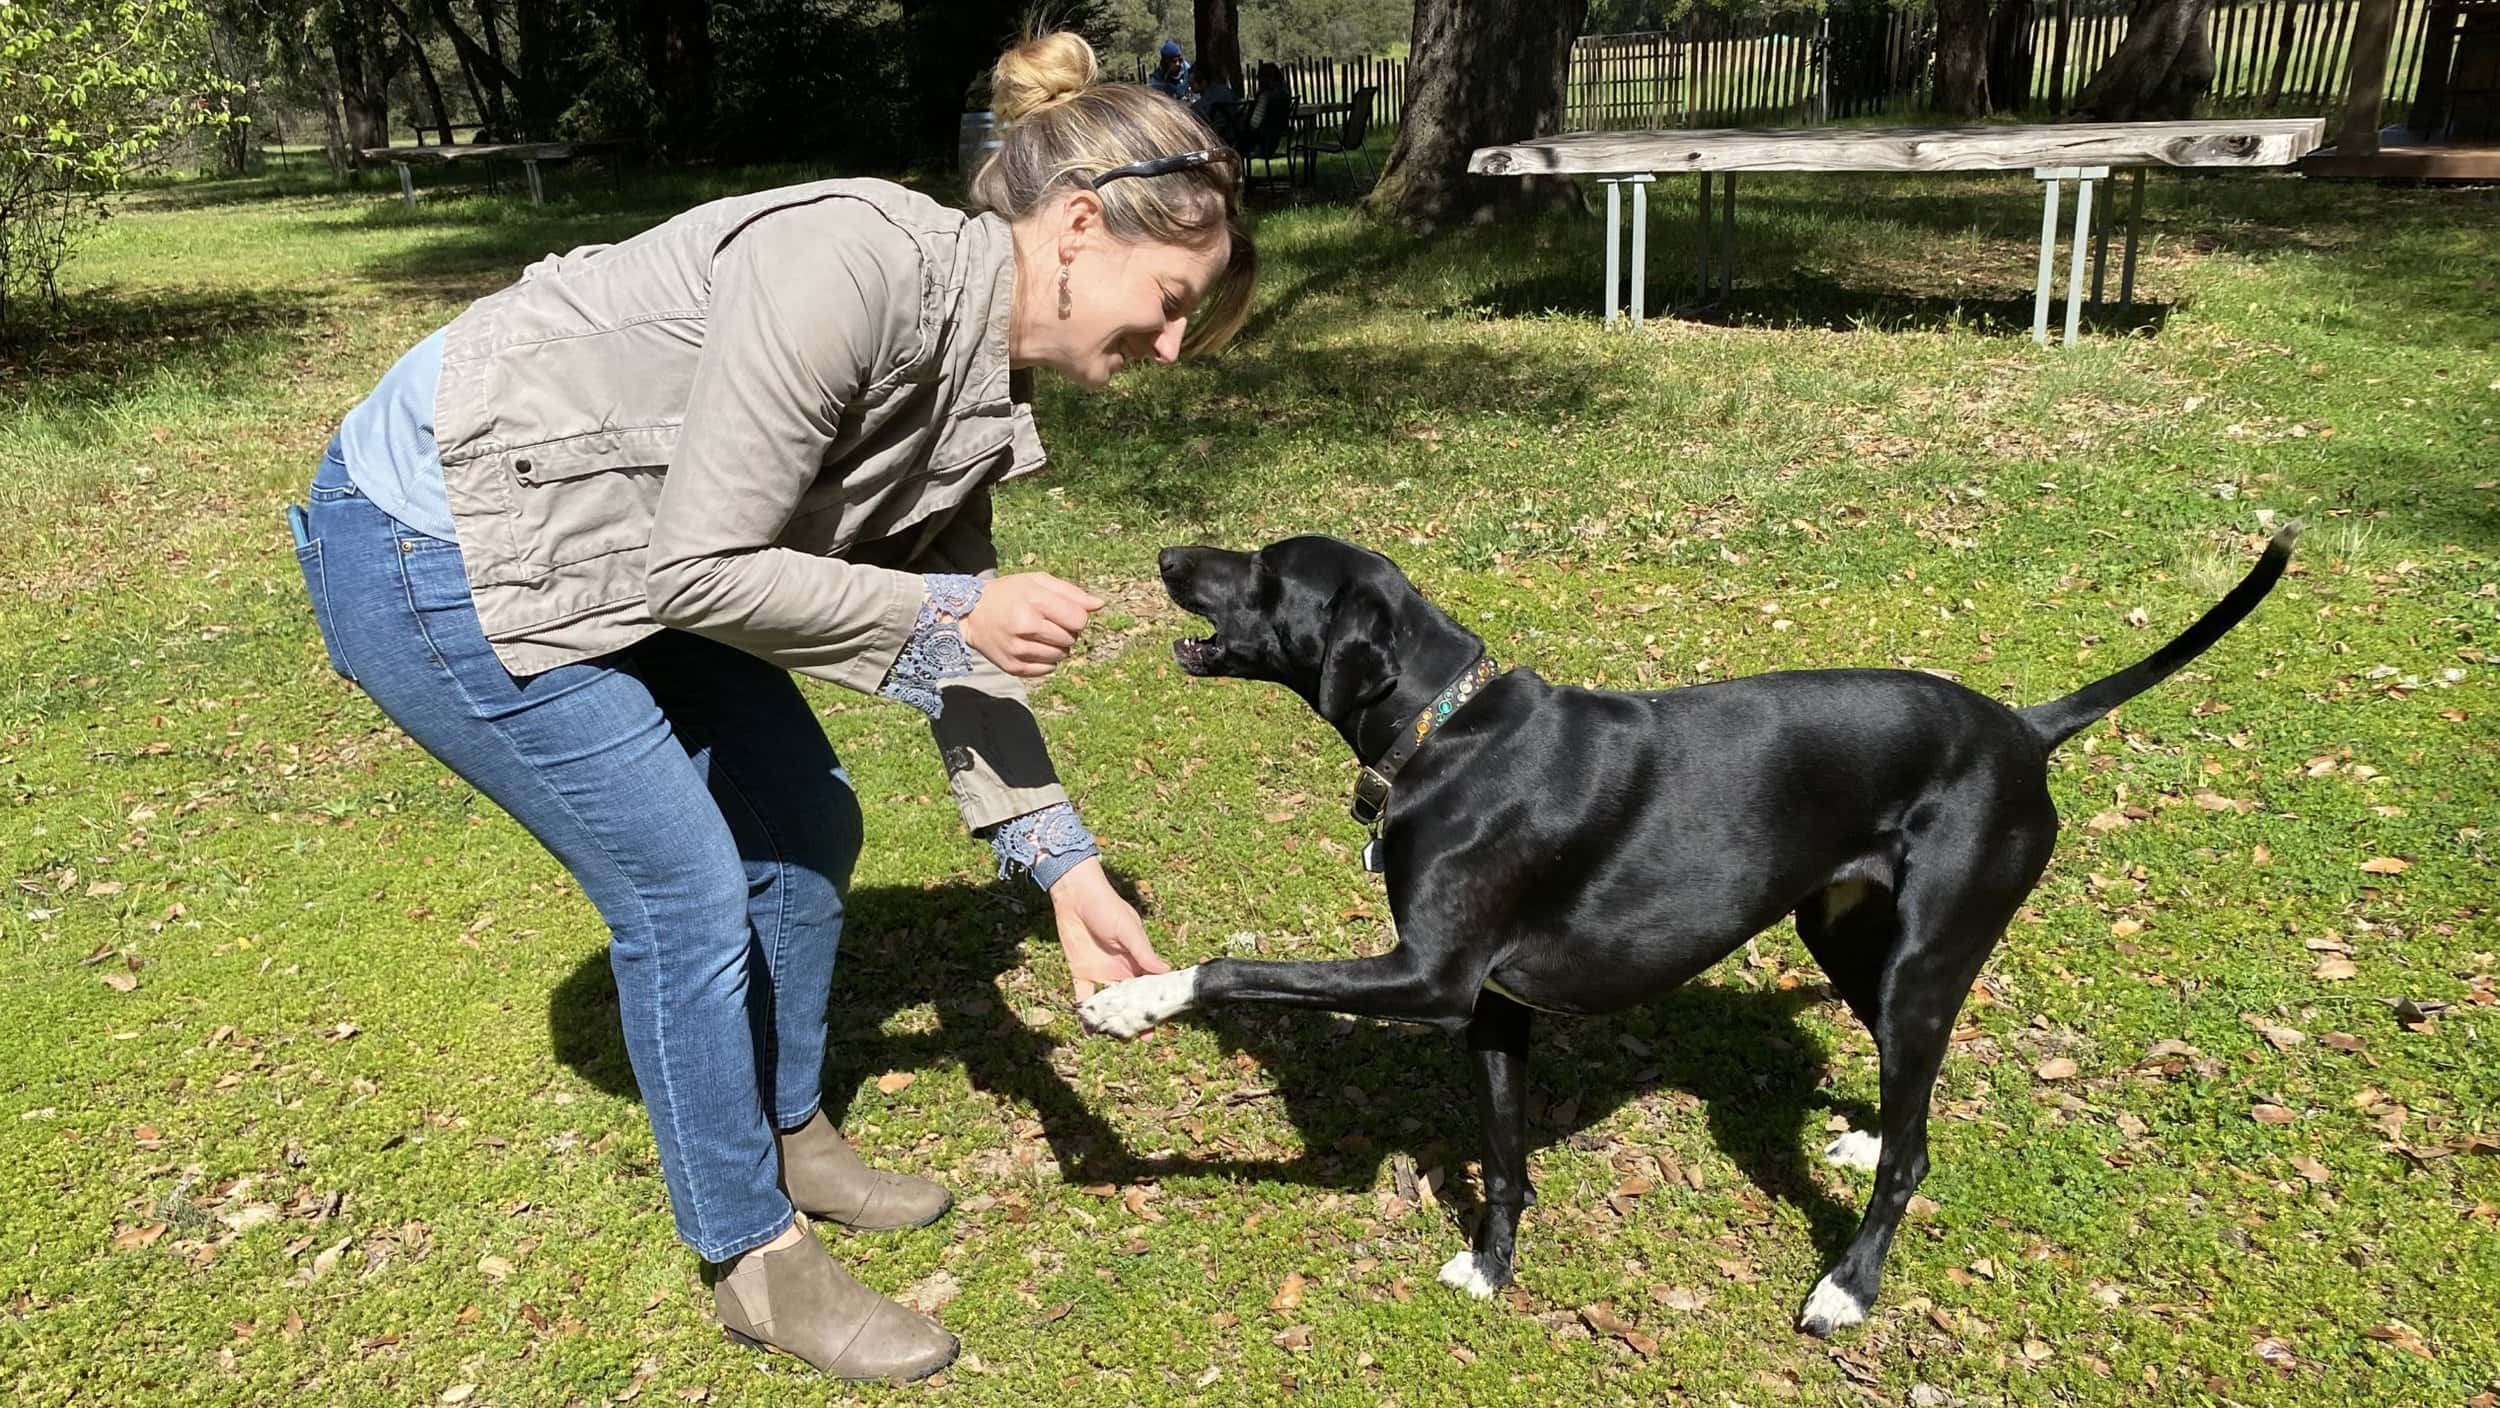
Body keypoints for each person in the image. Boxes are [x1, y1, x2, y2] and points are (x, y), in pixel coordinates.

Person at [284, 28, 1252, 1385]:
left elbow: (944, 646)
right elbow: (717, 570)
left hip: (617, 551)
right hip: (437, 544)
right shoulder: (851, 264)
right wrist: (941, 613)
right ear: (1078, 228)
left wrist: (1062, 863)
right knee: (683, 887)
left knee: (802, 819)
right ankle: (752, 1258)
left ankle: (788, 1124)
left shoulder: (976, 387)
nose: (1164, 345)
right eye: (1164, 302)